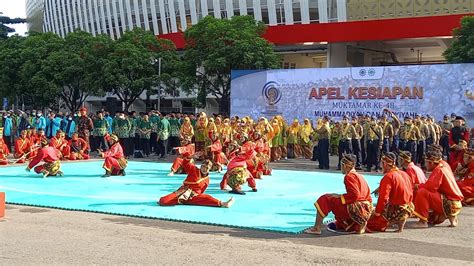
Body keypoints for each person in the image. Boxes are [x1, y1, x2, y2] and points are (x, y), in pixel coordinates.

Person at [305, 154, 373, 235]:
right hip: (366, 209)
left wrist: (340, 197)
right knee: (337, 200)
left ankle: (316, 228)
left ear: (344, 165)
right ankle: (356, 223)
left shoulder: (349, 177)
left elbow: (355, 195)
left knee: (325, 199)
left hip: (357, 209)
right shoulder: (360, 176)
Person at [412, 149, 464, 228]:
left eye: (426, 162)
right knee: (432, 219)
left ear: (432, 162)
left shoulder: (438, 170)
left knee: (422, 192)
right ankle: (451, 217)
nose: (425, 165)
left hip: (450, 203)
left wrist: (418, 186)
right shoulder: (444, 165)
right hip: (455, 202)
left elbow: (431, 187)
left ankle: (422, 221)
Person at [366, 152, 414, 233]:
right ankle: (400, 222)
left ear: (385, 164)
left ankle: (386, 222)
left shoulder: (388, 177)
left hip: (397, 208)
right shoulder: (404, 174)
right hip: (410, 206)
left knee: (368, 224)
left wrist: (377, 213)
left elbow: (383, 198)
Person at [159, 159, 235, 208]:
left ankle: (223, 203)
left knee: (206, 198)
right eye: (203, 166)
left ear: (210, 169)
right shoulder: (193, 169)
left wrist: (196, 195)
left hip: (194, 196)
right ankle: (180, 201)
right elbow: (184, 162)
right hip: (183, 192)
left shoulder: (207, 180)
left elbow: (202, 191)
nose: (204, 169)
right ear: (201, 166)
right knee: (163, 201)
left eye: (207, 168)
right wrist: (192, 157)